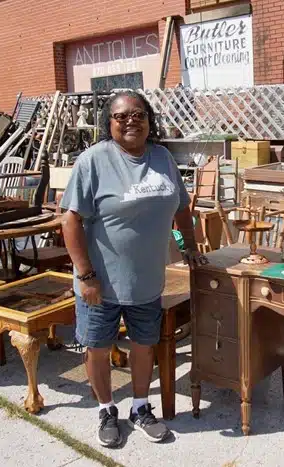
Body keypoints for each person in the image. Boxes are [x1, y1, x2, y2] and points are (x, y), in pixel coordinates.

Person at [60, 90, 207, 448]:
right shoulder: (93, 161)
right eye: (121, 116)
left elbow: (182, 207)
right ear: (108, 123)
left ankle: (140, 407)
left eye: (138, 114)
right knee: (97, 348)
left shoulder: (163, 158)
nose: (131, 121)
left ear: (149, 120)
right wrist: (85, 275)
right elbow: (70, 220)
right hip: (100, 284)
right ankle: (106, 409)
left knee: (144, 345)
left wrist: (189, 247)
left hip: (147, 281)